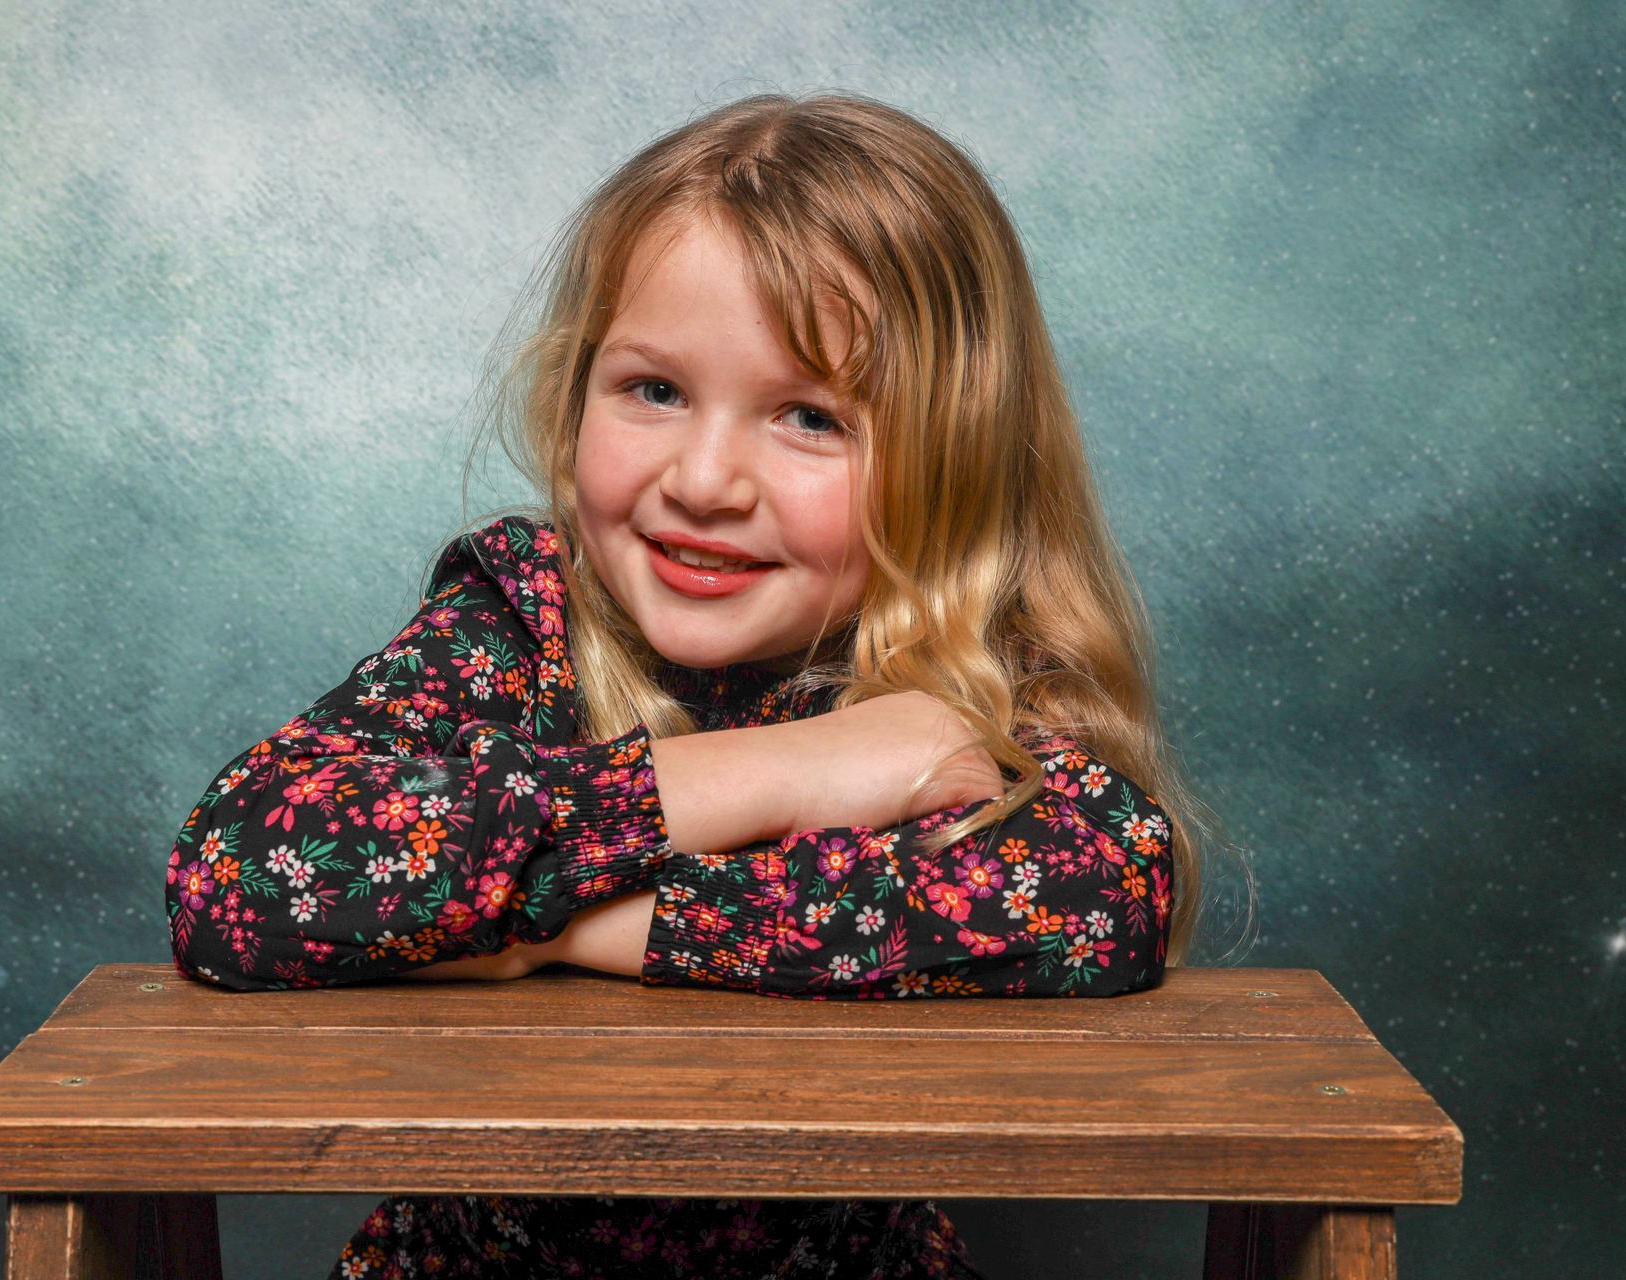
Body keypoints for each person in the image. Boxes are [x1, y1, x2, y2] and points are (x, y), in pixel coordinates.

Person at [166, 91, 1238, 1280]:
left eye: (810, 416)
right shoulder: (523, 620)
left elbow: (1101, 891)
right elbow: (244, 868)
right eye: (655, 391)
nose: (707, 479)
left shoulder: (955, 677)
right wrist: (776, 774)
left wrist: (566, 926)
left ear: (956, 452)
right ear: (577, 389)